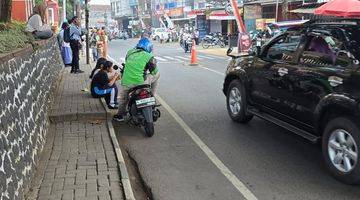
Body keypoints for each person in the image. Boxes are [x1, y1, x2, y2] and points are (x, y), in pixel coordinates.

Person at [113, 38, 160, 122]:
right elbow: (154, 72)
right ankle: (152, 95)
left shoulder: (130, 52)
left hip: (127, 82)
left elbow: (128, 63)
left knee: (123, 99)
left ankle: (120, 115)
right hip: (141, 82)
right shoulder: (149, 56)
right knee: (157, 74)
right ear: (148, 47)